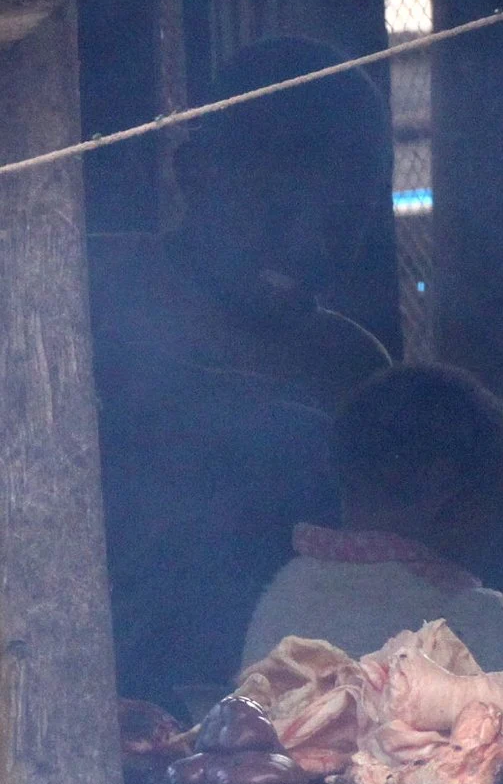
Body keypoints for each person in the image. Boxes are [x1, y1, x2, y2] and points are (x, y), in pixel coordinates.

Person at [89, 40, 397, 714]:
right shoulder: (79, 308)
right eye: (277, 207)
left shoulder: (352, 368)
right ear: (193, 173)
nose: (309, 247)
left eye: (344, 221)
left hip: (288, 722)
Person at [241, 364, 503, 671]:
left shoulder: (285, 594)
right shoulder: (467, 617)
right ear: (442, 485)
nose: (498, 533)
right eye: (496, 508)